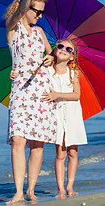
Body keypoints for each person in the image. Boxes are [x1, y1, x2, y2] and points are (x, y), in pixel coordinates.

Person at [5, 0, 57, 204]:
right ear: (26, 9)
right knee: (18, 140)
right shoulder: (13, 28)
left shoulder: (40, 32)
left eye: (42, 12)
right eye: (36, 10)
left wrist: (51, 59)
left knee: (38, 143)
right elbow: (18, 14)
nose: (39, 15)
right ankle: (17, 192)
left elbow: (51, 54)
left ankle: (31, 190)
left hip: (41, 89)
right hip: (21, 89)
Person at [41, 39, 87, 199]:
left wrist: (57, 94)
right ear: (55, 50)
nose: (63, 50)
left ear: (72, 57)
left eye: (69, 49)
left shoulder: (74, 72)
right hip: (56, 114)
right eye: (60, 46)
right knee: (60, 154)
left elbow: (77, 95)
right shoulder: (47, 71)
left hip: (73, 114)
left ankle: (70, 187)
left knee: (73, 152)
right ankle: (60, 189)